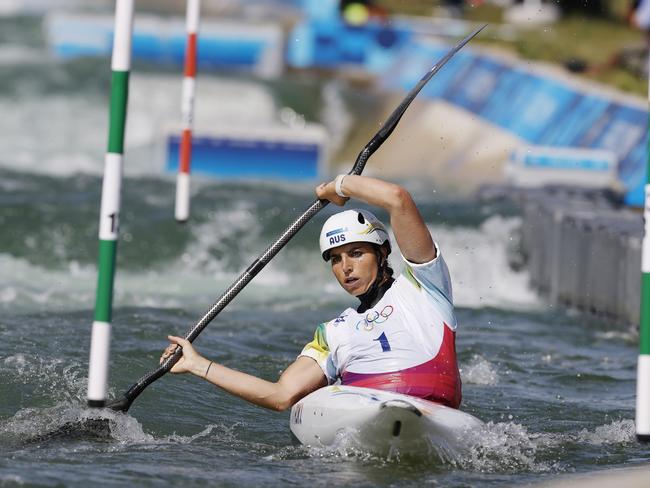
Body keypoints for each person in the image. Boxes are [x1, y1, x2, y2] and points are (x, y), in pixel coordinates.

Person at [160, 174, 461, 411]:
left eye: (356, 253)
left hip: (433, 411)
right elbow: (280, 395)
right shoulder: (332, 333)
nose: (346, 268)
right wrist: (198, 365)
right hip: (371, 416)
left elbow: (397, 199)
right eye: (335, 259)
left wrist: (339, 186)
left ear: (382, 252)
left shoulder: (424, 285)